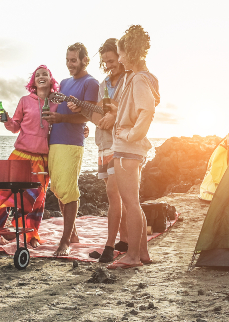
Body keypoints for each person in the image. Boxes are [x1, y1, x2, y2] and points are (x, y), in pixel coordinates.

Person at [98, 25, 160, 269]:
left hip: (127, 149)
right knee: (134, 202)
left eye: (121, 54)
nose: (120, 58)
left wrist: (131, 134)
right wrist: (118, 111)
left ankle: (132, 256)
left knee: (130, 203)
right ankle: (142, 252)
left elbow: (147, 111)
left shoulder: (137, 79)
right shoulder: (146, 78)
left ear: (130, 53)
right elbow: (137, 108)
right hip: (131, 149)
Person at [0, 65, 59, 250]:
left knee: (35, 200)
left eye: (45, 74)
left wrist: (83, 129)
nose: (41, 76)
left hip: (42, 159)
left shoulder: (57, 102)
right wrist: (7, 120)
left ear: (51, 80)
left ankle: (30, 235)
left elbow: (64, 125)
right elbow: (15, 127)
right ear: (33, 82)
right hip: (20, 155)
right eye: (38, 75)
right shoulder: (25, 101)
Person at [68, 38, 129, 263]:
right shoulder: (103, 84)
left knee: (114, 195)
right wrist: (83, 109)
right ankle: (124, 240)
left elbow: (131, 111)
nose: (109, 66)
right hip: (103, 145)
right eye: (105, 62)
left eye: (112, 61)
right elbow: (95, 115)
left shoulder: (128, 81)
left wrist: (114, 117)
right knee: (115, 195)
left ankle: (110, 247)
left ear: (121, 58)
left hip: (121, 144)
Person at [42, 43, 100, 256]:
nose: (69, 64)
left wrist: (63, 118)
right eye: (67, 60)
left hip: (72, 142)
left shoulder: (91, 83)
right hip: (54, 140)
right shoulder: (64, 83)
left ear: (85, 60)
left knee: (69, 189)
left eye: (73, 60)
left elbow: (88, 116)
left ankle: (65, 241)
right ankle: (73, 232)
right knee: (57, 188)